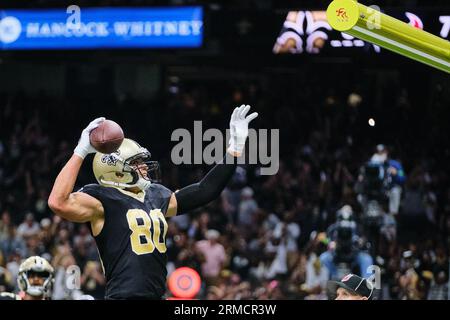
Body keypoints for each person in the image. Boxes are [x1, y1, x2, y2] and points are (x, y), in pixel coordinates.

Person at [48, 105, 258, 300]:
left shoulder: (155, 195)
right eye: (136, 163)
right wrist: (81, 151)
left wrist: (234, 148)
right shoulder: (101, 199)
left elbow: (205, 191)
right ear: (116, 172)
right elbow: (58, 202)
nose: (145, 168)